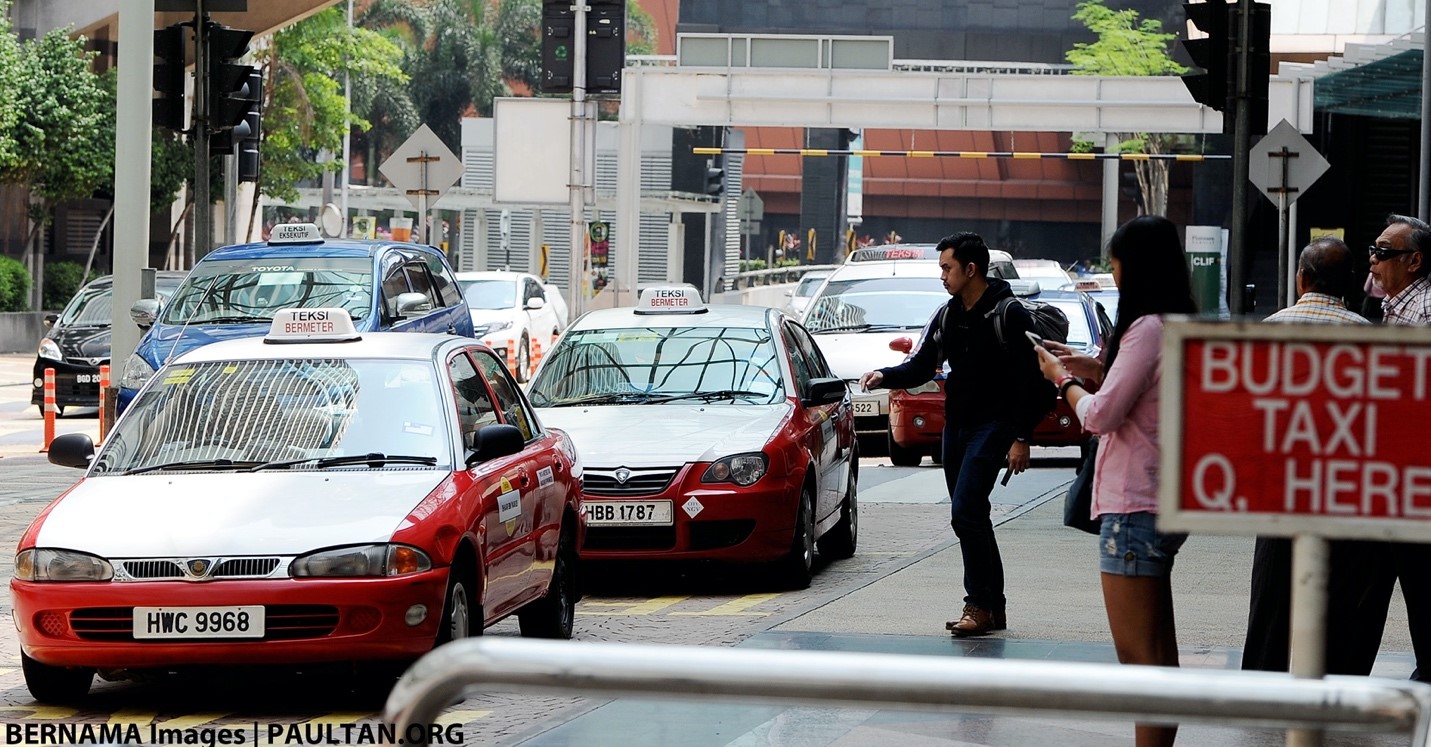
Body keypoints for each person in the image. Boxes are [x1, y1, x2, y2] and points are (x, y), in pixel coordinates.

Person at [1033, 215, 1197, 747]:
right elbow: (1140, 391)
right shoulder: (1174, 323)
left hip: (1133, 508)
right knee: (1158, 656)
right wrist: (1091, 365)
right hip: (1160, 500)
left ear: (1135, 265)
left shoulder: (1146, 327)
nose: (1112, 272)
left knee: (1140, 662)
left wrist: (1064, 382)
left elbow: (1100, 416)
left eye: (1115, 262)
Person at [858, 232, 1053, 637]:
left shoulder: (1008, 314)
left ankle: (977, 603)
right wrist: (884, 376)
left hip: (994, 426)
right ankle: (992, 608)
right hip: (957, 426)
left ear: (971, 269)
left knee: (965, 511)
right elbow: (923, 364)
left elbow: (1030, 382)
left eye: (947, 268)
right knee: (972, 515)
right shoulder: (949, 314)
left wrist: (1021, 436)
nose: (942, 276)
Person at [1241, 236, 1376, 675]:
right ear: (1349, 283)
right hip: (1344, 491)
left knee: (1271, 601)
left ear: (1301, 279)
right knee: (1342, 601)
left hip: (1280, 487)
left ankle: (1263, 690)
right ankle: (1329, 694)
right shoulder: (1368, 336)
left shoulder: (1269, 330)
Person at [1357, 213, 1431, 682]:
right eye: (1374, 249)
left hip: (1415, 465)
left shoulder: (1424, 310)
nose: (1374, 259)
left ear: (1415, 261)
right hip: (1394, 465)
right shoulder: (1394, 306)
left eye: (1384, 252)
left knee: (1420, 575)